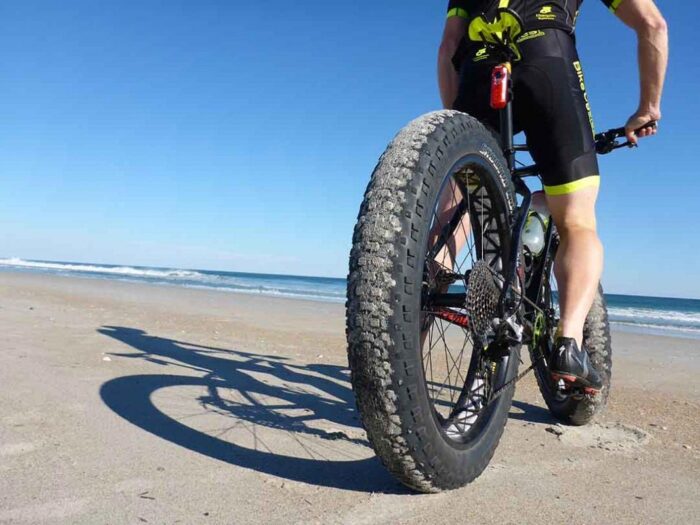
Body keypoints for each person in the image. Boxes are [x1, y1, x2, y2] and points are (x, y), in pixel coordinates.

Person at [437, 0, 668, 391]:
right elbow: (653, 25)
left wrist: (460, 131)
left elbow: (448, 47)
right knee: (577, 220)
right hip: (547, 59)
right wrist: (647, 108)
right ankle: (569, 344)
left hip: (479, 74)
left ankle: (409, 327)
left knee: (458, 202)